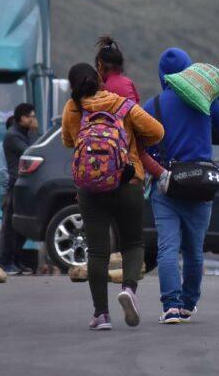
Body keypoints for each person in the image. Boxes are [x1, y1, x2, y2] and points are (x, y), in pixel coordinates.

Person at [61, 63, 163, 330]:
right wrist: (132, 142)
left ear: (73, 85)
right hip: (128, 182)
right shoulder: (122, 105)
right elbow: (157, 131)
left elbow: (67, 141)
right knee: (133, 242)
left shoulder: (73, 108)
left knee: (97, 251)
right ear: (99, 80)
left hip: (90, 188)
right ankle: (128, 289)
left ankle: (101, 314)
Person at [144, 48, 219, 323]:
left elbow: (141, 146)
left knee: (168, 247)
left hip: (167, 183)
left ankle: (170, 306)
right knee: (194, 250)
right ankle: (188, 303)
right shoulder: (204, 98)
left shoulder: (153, 105)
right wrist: (217, 92)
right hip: (200, 183)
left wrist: (158, 170)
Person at [95, 36, 165, 180]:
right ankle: (163, 176)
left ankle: (162, 175)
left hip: (110, 145)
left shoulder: (101, 90)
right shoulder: (127, 83)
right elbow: (136, 109)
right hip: (130, 138)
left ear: (100, 66)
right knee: (142, 154)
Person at [0, 103, 39, 274]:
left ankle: (15, 260)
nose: (33, 119)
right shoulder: (12, 135)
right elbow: (30, 153)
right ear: (22, 117)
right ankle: (3, 262)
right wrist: (35, 132)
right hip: (15, 186)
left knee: (20, 228)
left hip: (24, 186)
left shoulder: (23, 133)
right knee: (9, 228)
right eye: (31, 116)